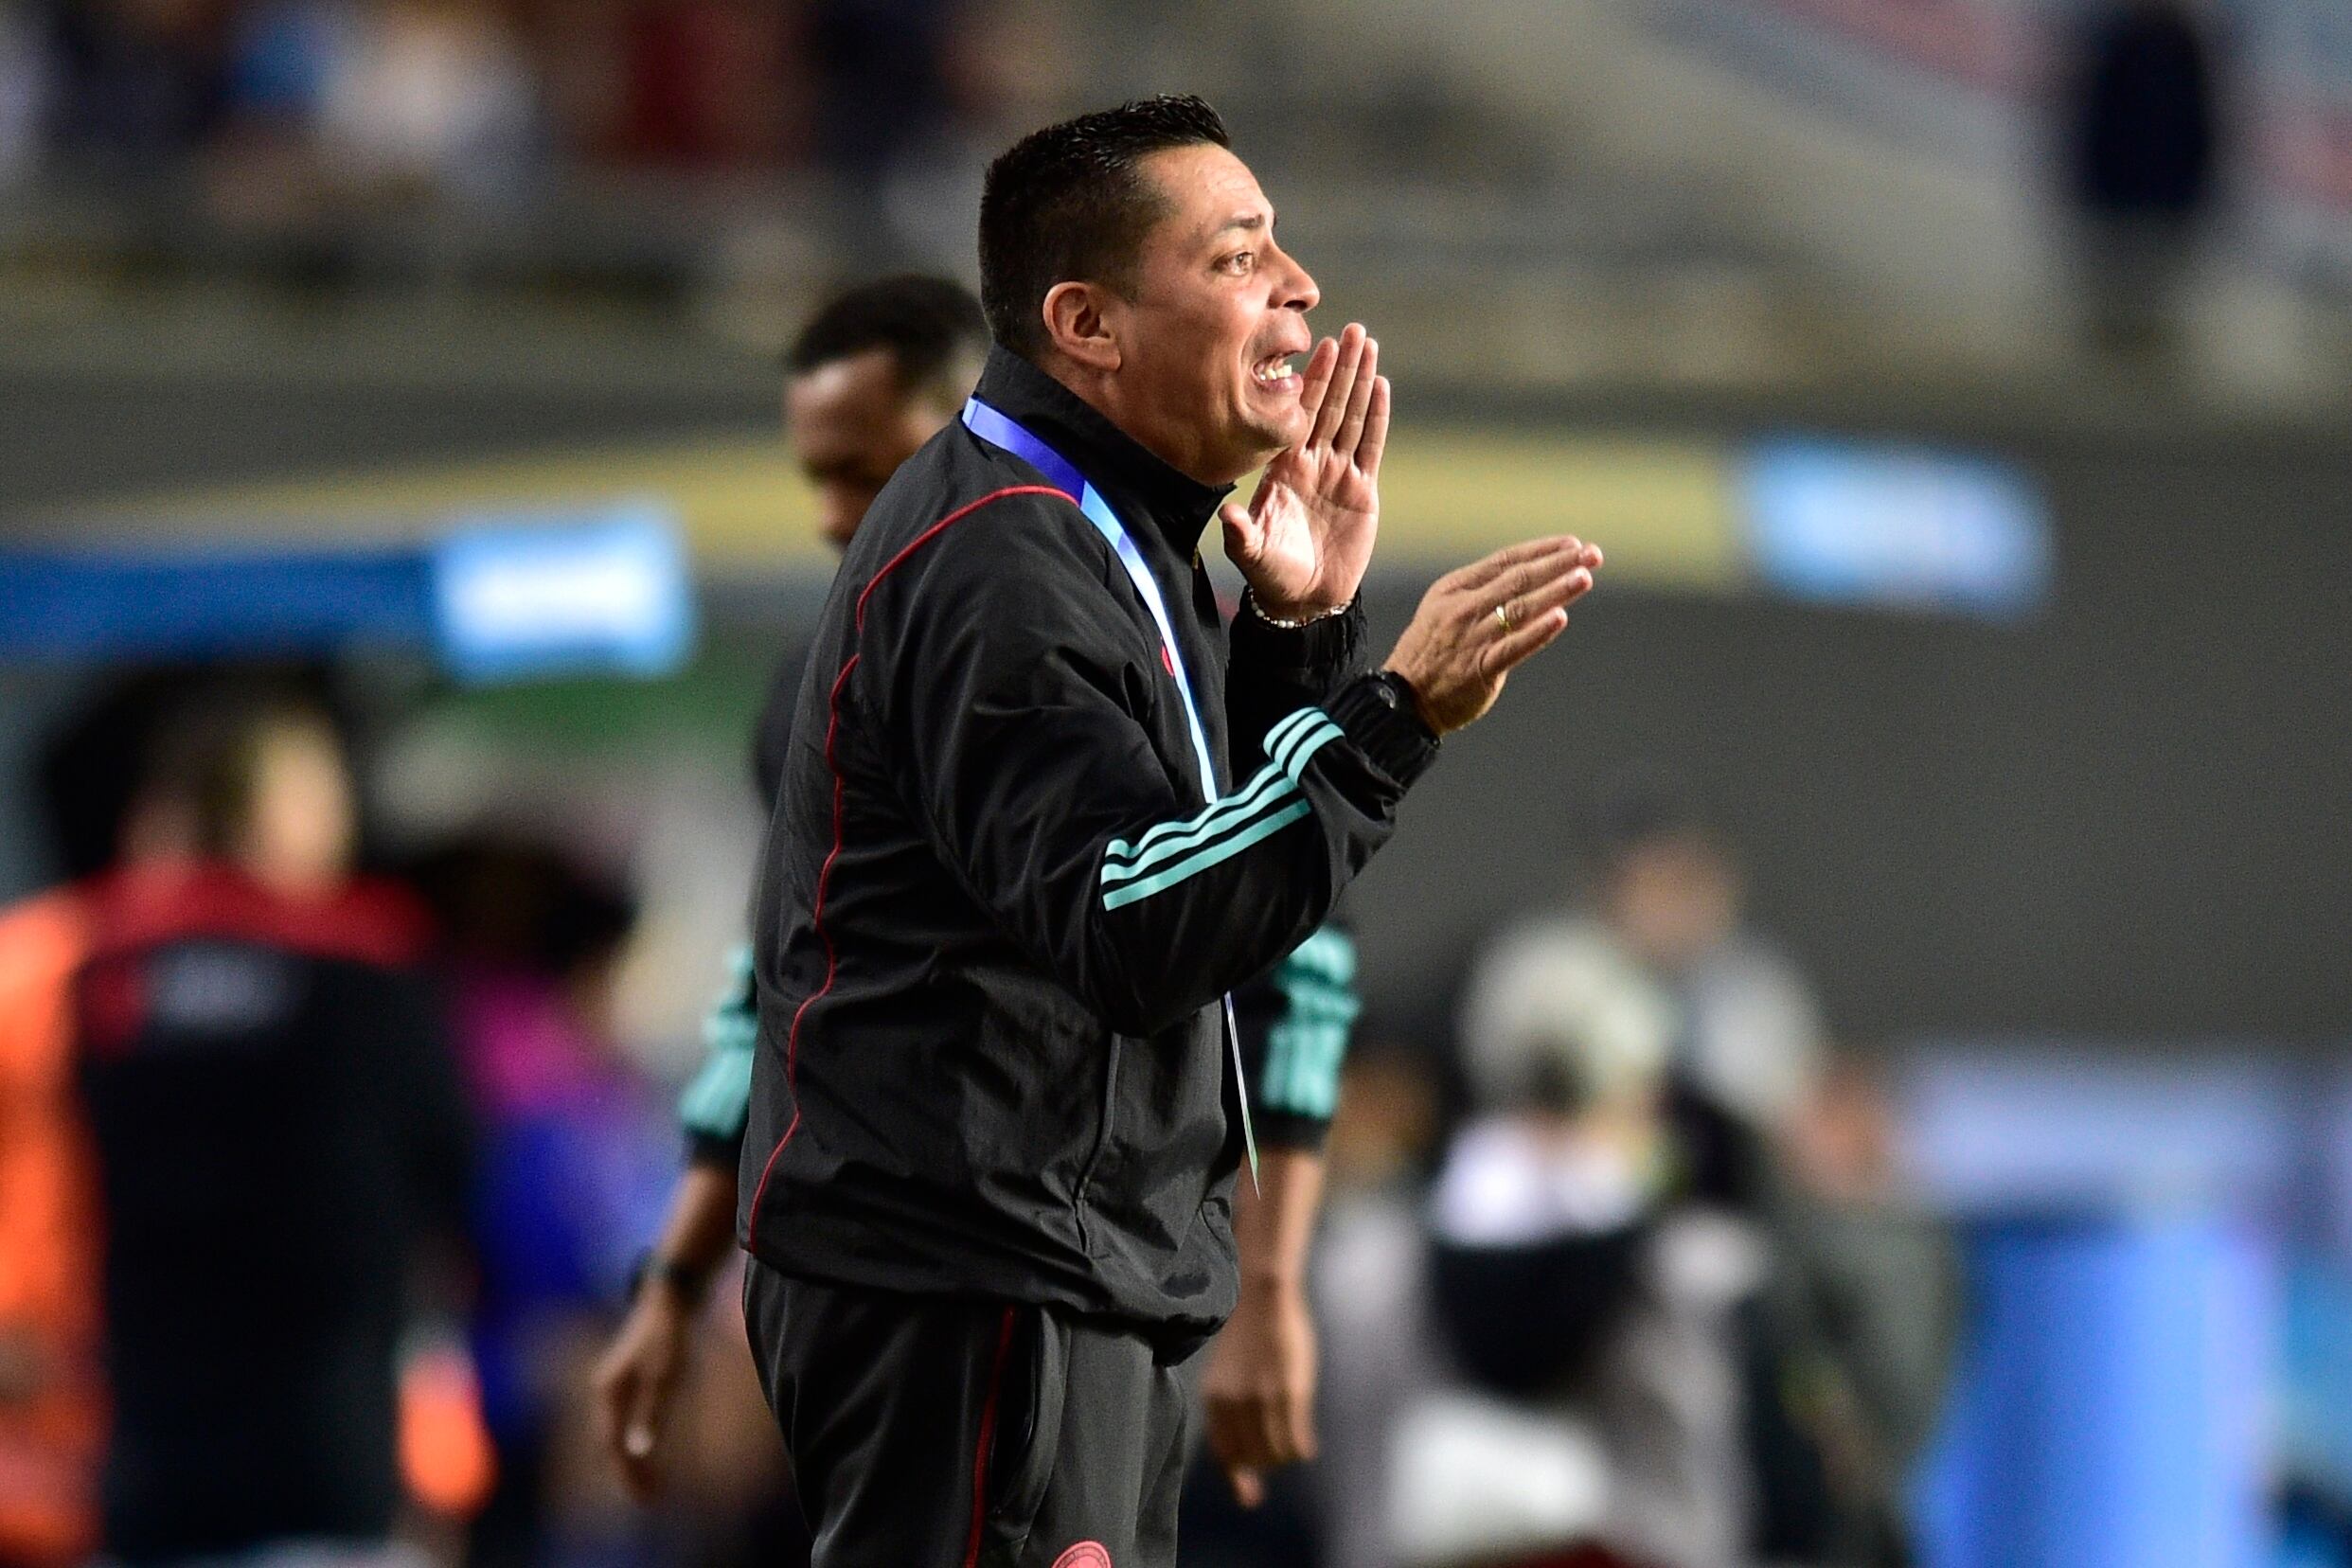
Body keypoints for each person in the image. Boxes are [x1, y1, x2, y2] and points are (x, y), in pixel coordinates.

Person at [733, 94, 1602, 1568]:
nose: (1301, 287)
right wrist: (1390, 716)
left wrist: (1298, 637)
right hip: (976, 1284)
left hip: (1055, 1272)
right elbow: (1134, 922)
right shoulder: (1002, 562)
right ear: (1087, 321)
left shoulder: (1108, 538)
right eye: (1238, 254)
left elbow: (1228, 890)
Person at [594, 273, 1374, 1517]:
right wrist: (676, 1284)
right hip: (947, 1275)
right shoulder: (828, 674)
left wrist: (1271, 1287)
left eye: (868, 469)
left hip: (1103, 1272)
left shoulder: (1125, 621)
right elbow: (774, 984)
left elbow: (1290, 953)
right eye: (823, 479)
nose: (838, 516)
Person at [66, 685, 476, 1567]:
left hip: (148, 1471)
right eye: (317, 790)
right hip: (329, 1465)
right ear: (264, 807)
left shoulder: (102, 978)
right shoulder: (364, 968)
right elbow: (455, 1169)